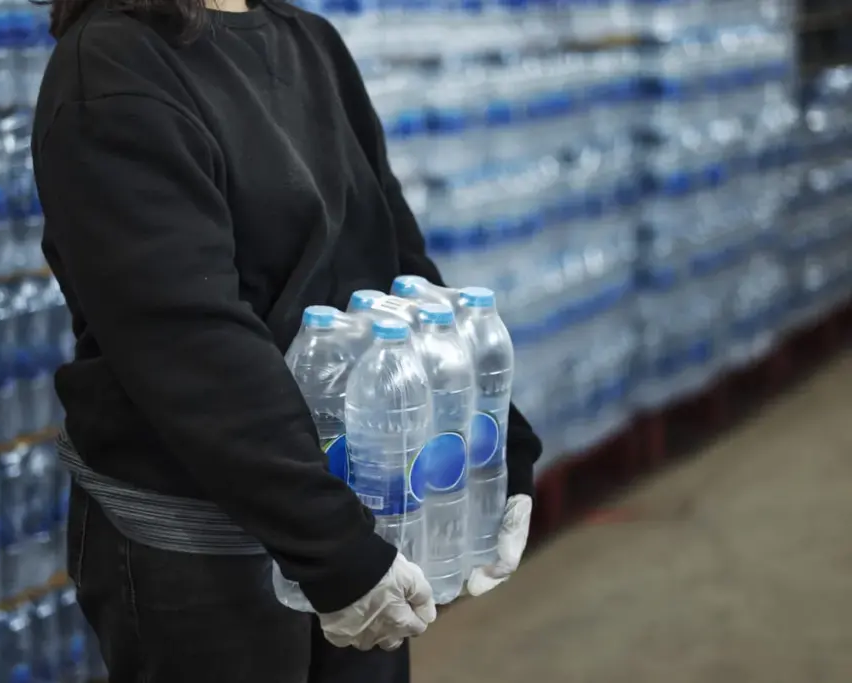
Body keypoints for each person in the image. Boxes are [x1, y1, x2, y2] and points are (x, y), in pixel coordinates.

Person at [32, 0, 543, 681]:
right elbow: (190, 343)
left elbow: (397, 272)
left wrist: (499, 446)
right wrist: (334, 548)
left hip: (351, 515)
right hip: (203, 541)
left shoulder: (310, 42)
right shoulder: (112, 68)